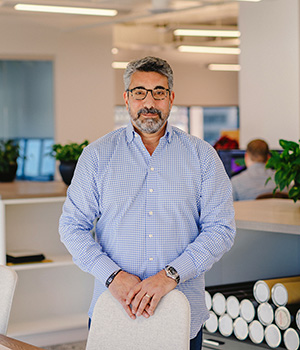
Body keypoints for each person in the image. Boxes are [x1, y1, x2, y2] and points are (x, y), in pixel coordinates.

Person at [59, 56, 236, 349]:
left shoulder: (202, 156)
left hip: (181, 314)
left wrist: (171, 276)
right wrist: (112, 276)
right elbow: (71, 227)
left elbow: (221, 229)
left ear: (171, 99)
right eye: (140, 92)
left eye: (159, 92)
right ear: (127, 99)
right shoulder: (97, 156)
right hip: (114, 311)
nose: (149, 102)